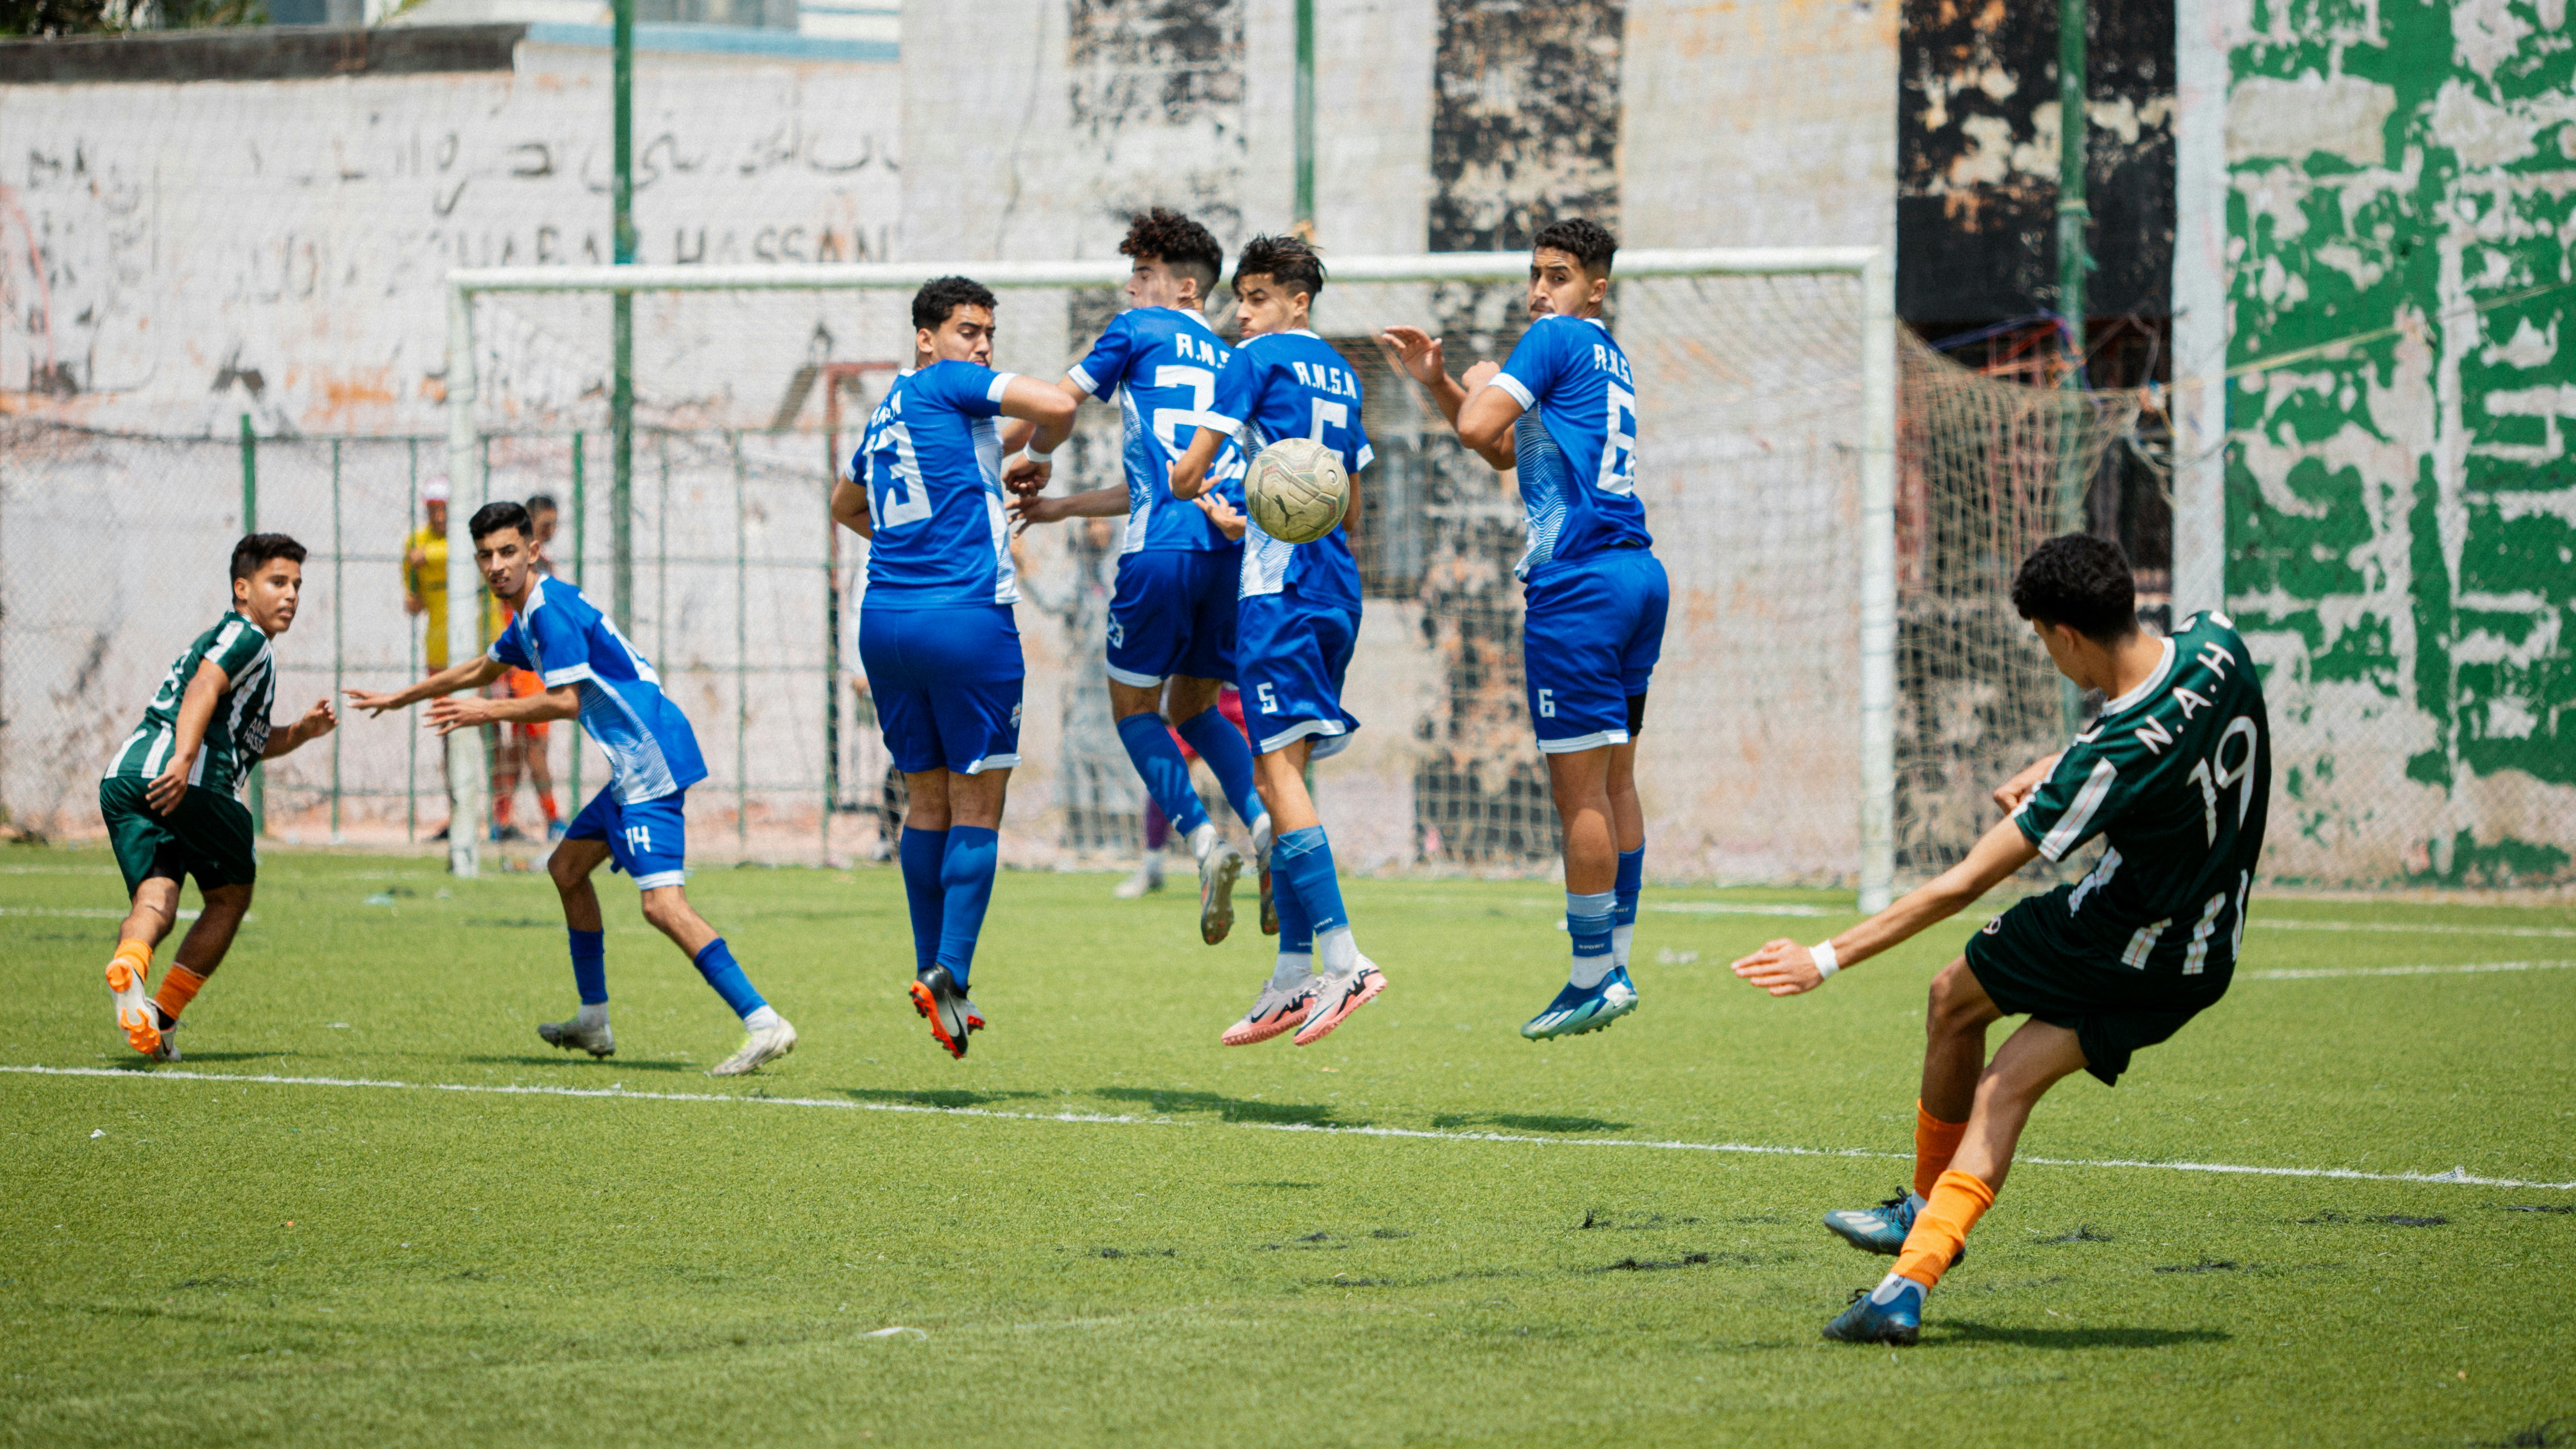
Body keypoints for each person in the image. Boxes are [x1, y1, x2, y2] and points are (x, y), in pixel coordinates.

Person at [1730, 534, 2271, 1345]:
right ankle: (1904, 1287)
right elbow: (2165, 738)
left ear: (2065, 635)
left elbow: (1961, 884)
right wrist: (2065, 761)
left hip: (2119, 932)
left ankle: (1917, 1210)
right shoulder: (2220, 643)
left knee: (1953, 996)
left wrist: (1824, 957)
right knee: (2005, 1087)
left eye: (2043, 641)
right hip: (2202, 959)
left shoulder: (2107, 757)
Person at [349, 502, 799, 1077]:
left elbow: (564, 701)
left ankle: (763, 1020)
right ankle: (594, 1019)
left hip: (649, 762)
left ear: (532, 551)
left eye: (508, 551)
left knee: (662, 905)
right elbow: (476, 671)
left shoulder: (551, 613)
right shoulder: (529, 616)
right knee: (566, 868)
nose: (496, 565)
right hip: (632, 765)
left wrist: (484, 715)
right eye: (486, 555)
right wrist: (399, 697)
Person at [1378, 218, 1667, 1042]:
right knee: (1616, 782)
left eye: (1562, 274)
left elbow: (1479, 428)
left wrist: (1477, 376)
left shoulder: (1551, 340)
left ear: (1597, 286)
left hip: (1576, 586)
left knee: (1576, 792)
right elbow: (1507, 452)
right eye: (1537, 274)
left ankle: (1591, 979)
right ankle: (1616, 961)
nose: (1541, 290)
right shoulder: (1608, 355)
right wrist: (1441, 383)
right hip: (1636, 578)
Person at [1008, 208, 1274, 945]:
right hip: (1224, 555)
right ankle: (1261, 822)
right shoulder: (1232, 359)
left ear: (1185, 287)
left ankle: (1200, 841)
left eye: (1144, 274)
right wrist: (1061, 508)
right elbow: (1167, 475)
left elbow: (1058, 404)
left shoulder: (1136, 333)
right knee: (1197, 710)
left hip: (1158, 553)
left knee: (1133, 711)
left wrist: (1028, 453)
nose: (1131, 288)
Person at [831, 275, 1077, 1059]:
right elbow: (1061, 408)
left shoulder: (888, 413)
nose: (982, 346)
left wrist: (914, 546)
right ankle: (957, 971)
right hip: (966, 622)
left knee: (926, 803)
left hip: (886, 624)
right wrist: (1040, 450)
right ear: (926, 337)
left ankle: (931, 969)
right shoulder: (954, 383)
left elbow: (845, 506)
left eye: (988, 335)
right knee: (980, 806)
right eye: (969, 331)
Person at [1165, 232, 1385, 1049]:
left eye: (1255, 298)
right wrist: (1281, 491)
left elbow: (1188, 475)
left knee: (1274, 773)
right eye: (1241, 298)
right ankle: (1294, 971)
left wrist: (1213, 489)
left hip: (1280, 587)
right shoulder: (1345, 373)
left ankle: (1344, 959)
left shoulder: (1252, 362)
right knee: (1282, 768)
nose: (1241, 312)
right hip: (1337, 586)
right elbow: (1353, 504)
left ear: (1296, 301)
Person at [99, 534, 338, 1062]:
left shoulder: (236, 645)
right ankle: (162, 1018)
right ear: (242, 587)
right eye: (278, 582)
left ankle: (131, 965)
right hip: (188, 780)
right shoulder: (246, 637)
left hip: (126, 778)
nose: (291, 594)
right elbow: (205, 686)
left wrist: (300, 732)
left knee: (155, 898)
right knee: (230, 897)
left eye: (297, 584)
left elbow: (246, 738)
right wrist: (184, 762)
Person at [488, 493, 566, 842]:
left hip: (539, 667)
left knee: (522, 747)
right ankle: (553, 819)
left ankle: (503, 821)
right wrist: (502, 670)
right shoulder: (517, 566)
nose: (552, 530)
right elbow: (506, 617)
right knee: (531, 745)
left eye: (554, 524)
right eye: (546, 523)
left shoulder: (544, 564)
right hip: (521, 669)